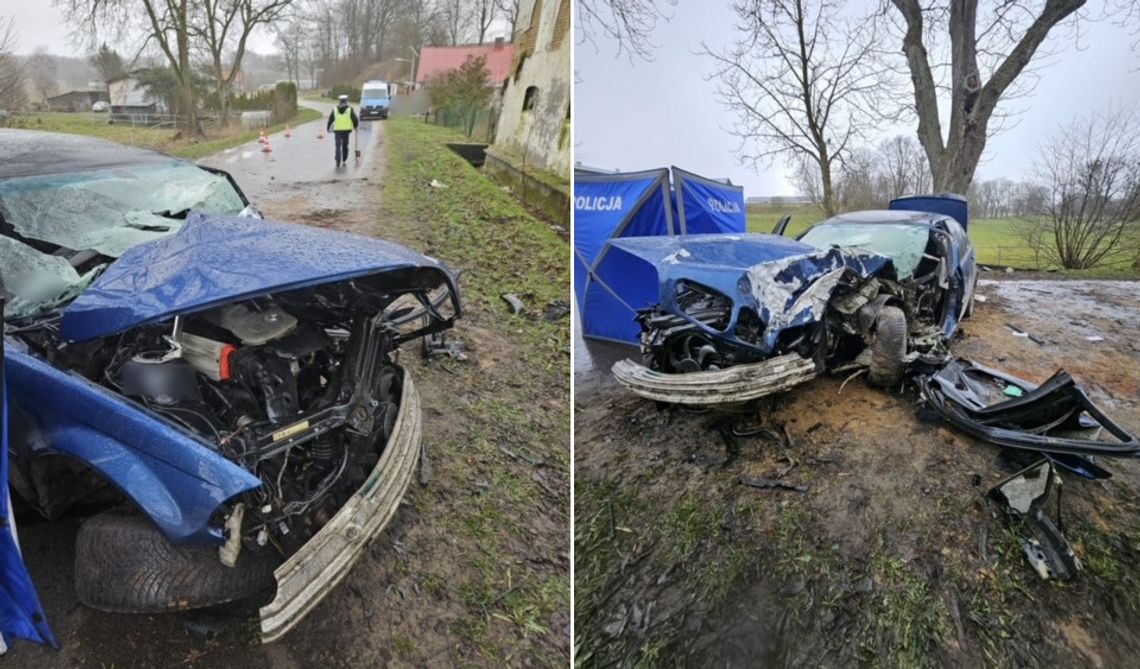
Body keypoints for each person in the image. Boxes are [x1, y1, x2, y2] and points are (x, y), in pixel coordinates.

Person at [326, 94, 359, 167]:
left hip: (337, 130)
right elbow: (355, 119)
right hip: (346, 131)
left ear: (339, 101)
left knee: (338, 145)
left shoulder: (335, 109)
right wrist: (355, 126)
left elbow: (330, 119)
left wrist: (328, 127)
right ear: (346, 101)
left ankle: (338, 160)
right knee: (345, 145)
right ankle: (344, 159)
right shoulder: (350, 109)